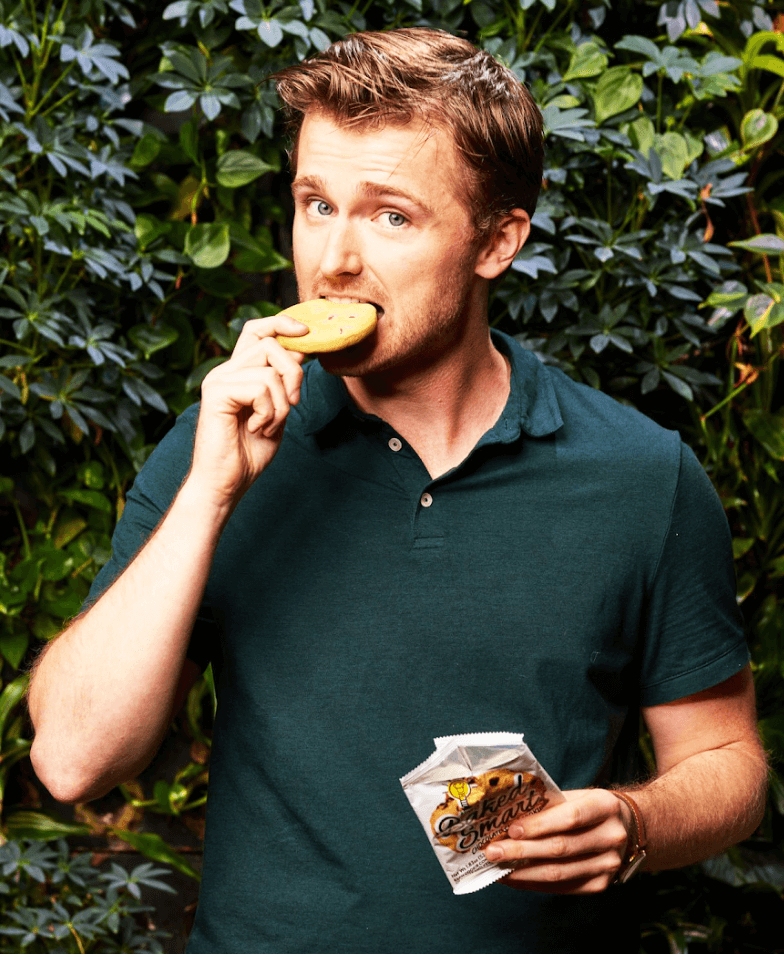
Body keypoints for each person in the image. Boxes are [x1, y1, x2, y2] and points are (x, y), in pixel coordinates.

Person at [28, 27, 766, 954]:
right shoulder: (221, 446)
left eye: (389, 217)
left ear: (496, 241)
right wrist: (212, 493)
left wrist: (635, 822)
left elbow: (729, 765)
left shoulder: (642, 478)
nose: (333, 261)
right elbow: (71, 760)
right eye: (315, 203)